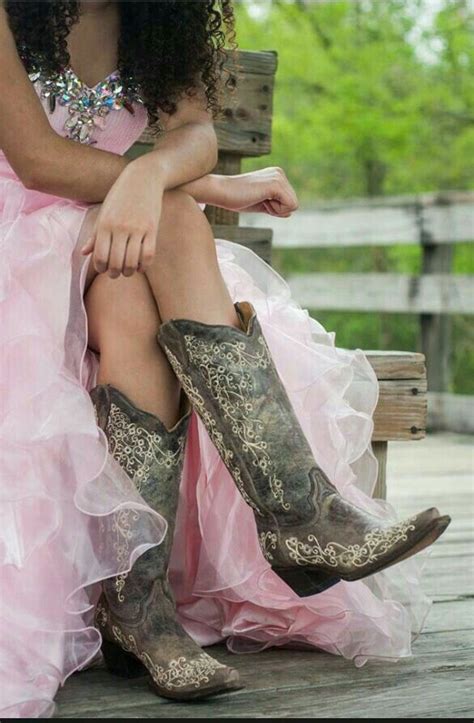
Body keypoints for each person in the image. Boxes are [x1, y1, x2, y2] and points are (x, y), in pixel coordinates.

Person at [0, 0, 451, 718]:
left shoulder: (157, 14)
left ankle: (141, 608)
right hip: (18, 236)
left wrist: (157, 178)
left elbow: (196, 133)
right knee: (174, 224)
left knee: (127, 296)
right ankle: (297, 517)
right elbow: (35, 158)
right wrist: (175, 185)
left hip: (118, 235)